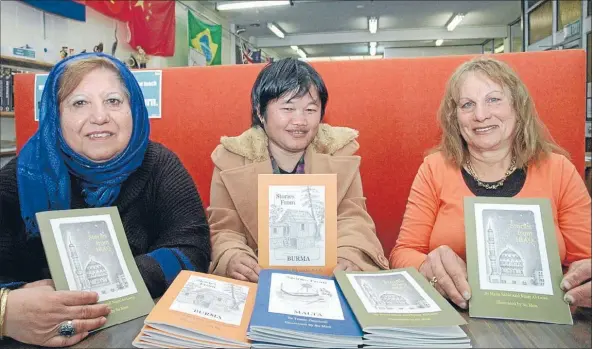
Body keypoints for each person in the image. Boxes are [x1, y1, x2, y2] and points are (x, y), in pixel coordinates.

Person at [0, 52, 211, 347]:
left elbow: (193, 250)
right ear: (55, 115)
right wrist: (7, 310)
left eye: (113, 101)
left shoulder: (160, 165)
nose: (99, 116)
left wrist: (105, 285)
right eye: (79, 103)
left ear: (133, 109)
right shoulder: (20, 179)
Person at [390, 56, 591, 310]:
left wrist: (583, 280)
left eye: (493, 100)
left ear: (517, 106)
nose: (481, 115)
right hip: (457, 314)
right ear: (455, 118)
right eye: (467, 105)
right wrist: (429, 269)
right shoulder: (434, 169)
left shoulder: (559, 171)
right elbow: (402, 253)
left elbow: (584, 260)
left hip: (542, 322)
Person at [208, 58, 389, 282]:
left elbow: (352, 220)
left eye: (310, 109)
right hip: (259, 282)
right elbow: (225, 230)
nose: (300, 120)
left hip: (325, 280)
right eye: (288, 108)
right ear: (260, 112)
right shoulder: (231, 159)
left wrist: (348, 255)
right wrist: (233, 257)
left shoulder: (338, 154)